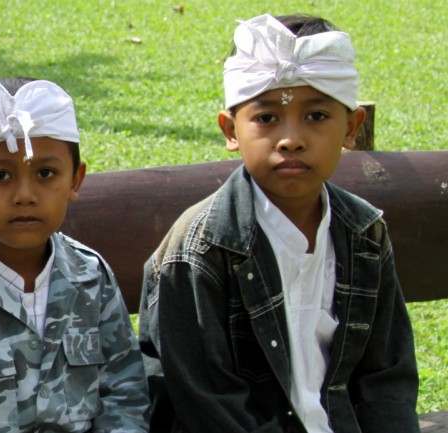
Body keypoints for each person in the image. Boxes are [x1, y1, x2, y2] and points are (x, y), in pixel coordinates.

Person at [138, 14, 420, 433]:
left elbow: (386, 378)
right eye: (267, 118)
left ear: (352, 128)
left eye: (317, 116)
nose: (291, 139)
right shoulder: (198, 252)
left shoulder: (365, 234)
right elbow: (208, 402)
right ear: (231, 130)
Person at [0, 74, 150, 433]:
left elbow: (125, 395)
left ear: (75, 180)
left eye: (46, 173)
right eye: (0, 176)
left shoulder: (91, 277)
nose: (25, 195)